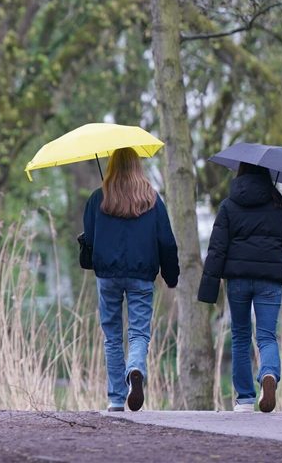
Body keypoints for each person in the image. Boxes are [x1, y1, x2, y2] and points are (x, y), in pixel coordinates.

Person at [197, 162, 282, 413]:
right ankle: (268, 374)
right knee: (267, 336)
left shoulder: (228, 205)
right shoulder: (280, 203)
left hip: (237, 280)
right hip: (270, 279)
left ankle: (245, 399)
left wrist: (208, 288)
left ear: (241, 172)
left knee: (240, 336)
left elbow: (217, 248)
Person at [82, 147, 179, 412]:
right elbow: (167, 243)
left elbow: (89, 240)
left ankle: (116, 398)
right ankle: (135, 367)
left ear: (112, 166)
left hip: (108, 276)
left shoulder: (97, 199)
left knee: (112, 336)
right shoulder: (151, 199)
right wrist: (171, 276)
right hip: (141, 276)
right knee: (138, 332)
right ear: (137, 166)